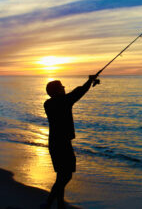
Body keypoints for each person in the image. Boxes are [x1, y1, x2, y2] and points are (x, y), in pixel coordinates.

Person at [41, 75, 99, 209]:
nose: (64, 87)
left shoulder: (48, 103)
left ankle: (59, 205)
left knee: (61, 175)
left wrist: (90, 81)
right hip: (62, 144)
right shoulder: (62, 102)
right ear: (57, 91)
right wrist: (90, 80)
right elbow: (78, 92)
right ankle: (48, 203)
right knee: (65, 176)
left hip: (55, 144)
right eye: (61, 87)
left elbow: (76, 93)